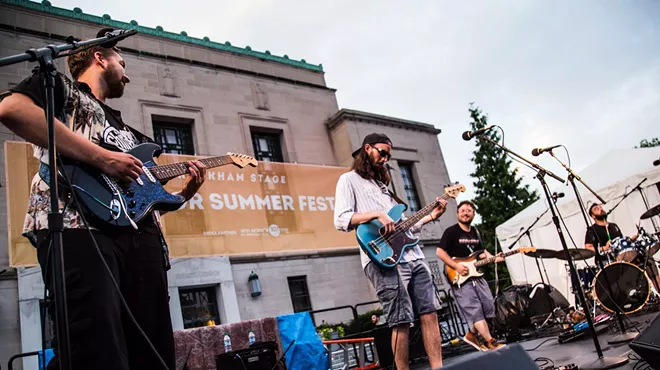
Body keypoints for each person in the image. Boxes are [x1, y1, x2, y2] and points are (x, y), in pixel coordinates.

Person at [0, 28, 207, 370]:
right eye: (122, 63)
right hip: (77, 226)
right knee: (97, 347)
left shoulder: (133, 135)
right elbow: (12, 109)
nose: (127, 74)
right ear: (100, 57)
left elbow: (141, 201)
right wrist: (103, 158)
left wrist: (184, 193)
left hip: (140, 238)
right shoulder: (63, 90)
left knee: (152, 348)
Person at [334, 133, 447, 370]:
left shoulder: (383, 187)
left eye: (388, 155)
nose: (385, 158)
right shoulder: (348, 180)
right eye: (382, 152)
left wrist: (431, 216)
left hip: (414, 255)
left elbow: (404, 225)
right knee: (400, 320)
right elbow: (341, 219)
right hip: (383, 258)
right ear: (367, 148)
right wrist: (375, 214)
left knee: (430, 313)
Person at [436, 200, 505, 352]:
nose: (465, 213)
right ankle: (490, 341)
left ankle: (471, 335)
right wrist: (456, 266)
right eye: (462, 210)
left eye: (469, 210)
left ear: (473, 214)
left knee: (488, 305)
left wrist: (494, 257)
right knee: (474, 309)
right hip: (459, 276)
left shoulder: (476, 232)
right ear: (457, 214)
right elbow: (440, 252)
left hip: (476, 275)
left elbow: (482, 253)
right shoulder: (451, 232)